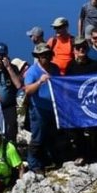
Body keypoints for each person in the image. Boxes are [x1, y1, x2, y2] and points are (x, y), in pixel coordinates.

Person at [23, 43, 61, 174]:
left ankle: (51, 159)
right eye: (42, 55)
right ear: (38, 57)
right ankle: (34, 164)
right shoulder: (32, 71)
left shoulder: (55, 68)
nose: (45, 57)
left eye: (47, 54)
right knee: (38, 138)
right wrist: (40, 81)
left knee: (51, 136)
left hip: (53, 109)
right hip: (38, 109)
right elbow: (27, 90)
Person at [65, 37, 97, 164]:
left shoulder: (95, 65)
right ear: (74, 50)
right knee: (77, 131)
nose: (81, 50)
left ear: (87, 49)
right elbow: (66, 84)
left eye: (84, 47)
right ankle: (81, 154)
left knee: (94, 130)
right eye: (78, 48)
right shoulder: (70, 66)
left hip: (92, 103)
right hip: (76, 103)